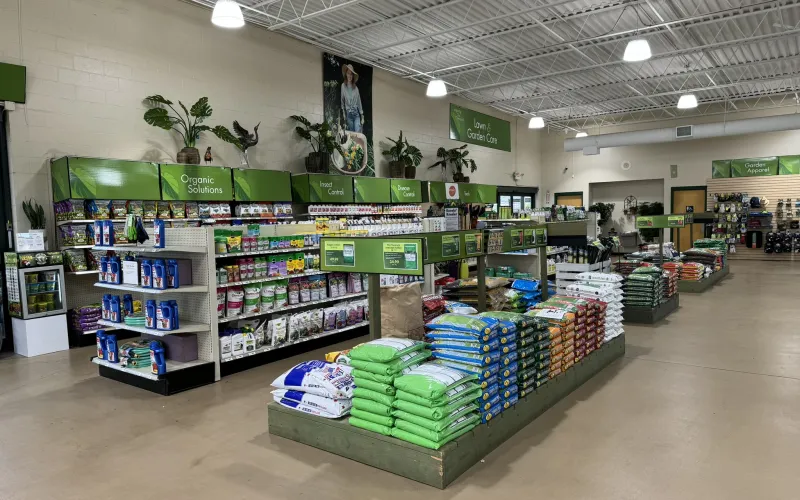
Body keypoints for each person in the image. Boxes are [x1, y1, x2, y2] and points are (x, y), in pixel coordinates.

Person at [340, 64, 364, 133]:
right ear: (346, 74)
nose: (350, 76)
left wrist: (362, 114)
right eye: (348, 73)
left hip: (356, 113)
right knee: (352, 134)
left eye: (351, 74)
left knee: (358, 132)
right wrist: (343, 112)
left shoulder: (356, 89)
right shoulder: (343, 86)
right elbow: (342, 100)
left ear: (353, 76)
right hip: (348, 114)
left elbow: (359, 102)